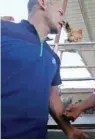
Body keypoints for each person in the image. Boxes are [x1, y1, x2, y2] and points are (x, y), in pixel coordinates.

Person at [1, 0, 88, 139]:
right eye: (60, 12)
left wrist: (69, 130)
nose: (63, 19)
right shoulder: (5, 29)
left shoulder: (53, 57)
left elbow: (52, 98)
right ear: (43, 3)